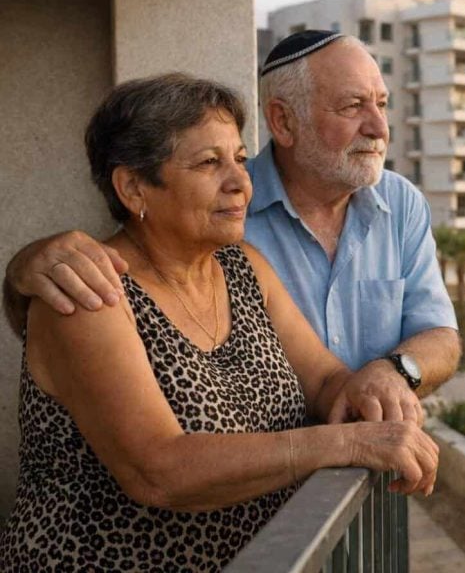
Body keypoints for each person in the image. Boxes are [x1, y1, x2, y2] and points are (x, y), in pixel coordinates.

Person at [0, 75, 439, 570]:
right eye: (209, 163)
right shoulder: (89, 292)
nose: (240, 182)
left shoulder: (243, 266)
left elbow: (323, 381)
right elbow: (158, 471)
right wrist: (348, 443)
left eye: (240, 158)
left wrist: (375, 387)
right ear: (134, 188)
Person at [3, 30, 460, 419]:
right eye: (353, 106)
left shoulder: (401, 204)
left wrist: (392, 374)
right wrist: (23, 269)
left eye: (382, 104)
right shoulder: (214, 216)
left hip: (361, 483)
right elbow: (158, 463)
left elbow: (438, 334)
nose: (379, 127)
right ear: (282, 121)